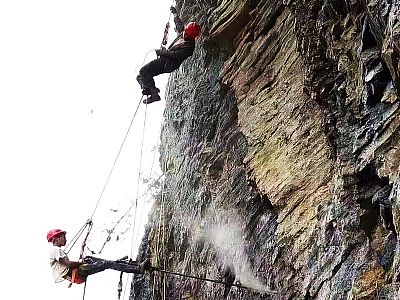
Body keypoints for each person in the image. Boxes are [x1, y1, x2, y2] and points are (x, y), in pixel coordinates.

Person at [136, 6, 202, 104]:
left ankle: (154, 95)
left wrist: (163, 52)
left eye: (186, 33)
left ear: (189, 36)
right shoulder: (186, 34)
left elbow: (176, 55)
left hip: (167, 64)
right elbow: (179, 25)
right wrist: (175, 13)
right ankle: (150, 89)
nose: (184, 32)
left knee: (143, 71)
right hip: (165, 59)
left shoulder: (189, 48)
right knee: (140, 77)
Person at [47, 228, 152, 284]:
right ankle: (138, 269)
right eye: (63, 237)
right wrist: (81, 263)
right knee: (107, 263)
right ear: (56, 239)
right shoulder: (55, 250)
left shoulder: (57, 251)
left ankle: (135, 265)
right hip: (76, 273)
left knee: (95, 260)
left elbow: (66, 265)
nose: (65, 239)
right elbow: (68, 264)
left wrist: (83, 260)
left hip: (75, 273)